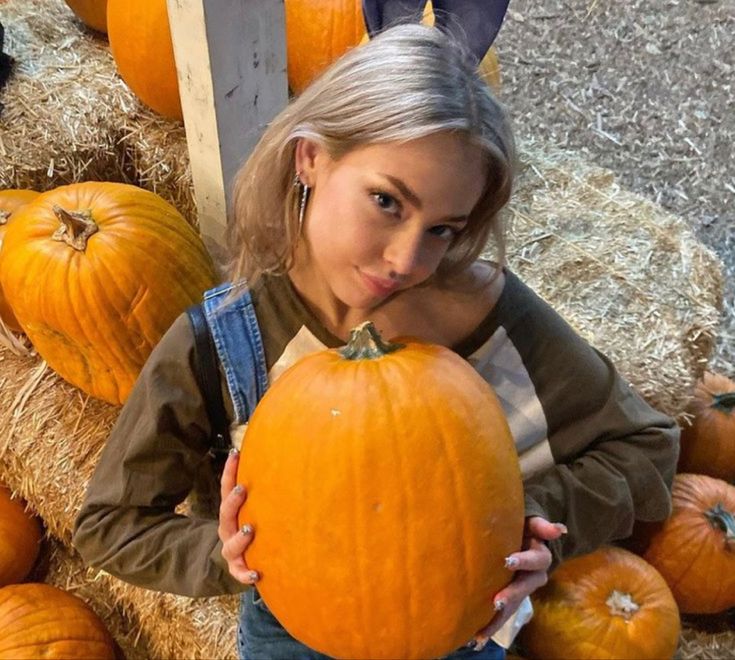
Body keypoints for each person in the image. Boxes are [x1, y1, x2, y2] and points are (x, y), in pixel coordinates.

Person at [72, 23, 679, 660]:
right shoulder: (223, 339)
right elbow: (110, 526)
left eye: (443, 229)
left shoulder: (489, 317)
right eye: (387, 201)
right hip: (295, 631)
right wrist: (228, 554)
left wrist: (531, 520)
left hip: (462, 628)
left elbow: (647, 446)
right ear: (311, 157)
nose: (405, 258)